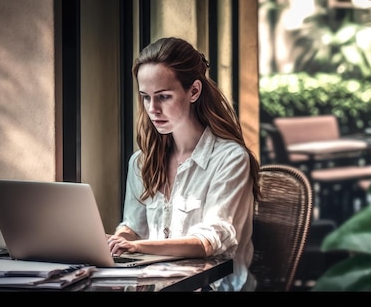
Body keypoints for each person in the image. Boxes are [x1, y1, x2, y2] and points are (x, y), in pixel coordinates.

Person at [107, 37, 261, 291]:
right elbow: (134, 227)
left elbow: (207, 242)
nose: (152, 108)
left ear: (194, 91)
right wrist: (119, 240)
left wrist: (137, 246)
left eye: (164, 97)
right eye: (145, 97)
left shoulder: (230, 159)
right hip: (159, 284)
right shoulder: (141, 162)